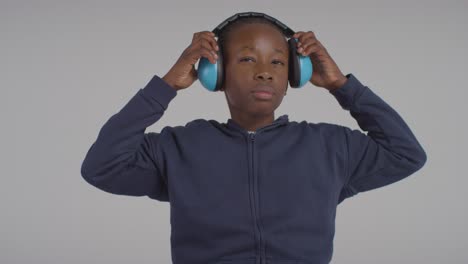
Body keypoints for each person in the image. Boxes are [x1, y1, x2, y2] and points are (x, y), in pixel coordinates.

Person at [81, 12, 427, 264]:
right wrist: (167, 85)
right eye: (247, 59)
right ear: (214, 73)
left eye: (278, 62)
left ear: (295, 72)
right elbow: (101, 167)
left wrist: (342, 85)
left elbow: (406, 153)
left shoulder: (329, 147)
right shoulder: (179, 148)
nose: (264, 71)